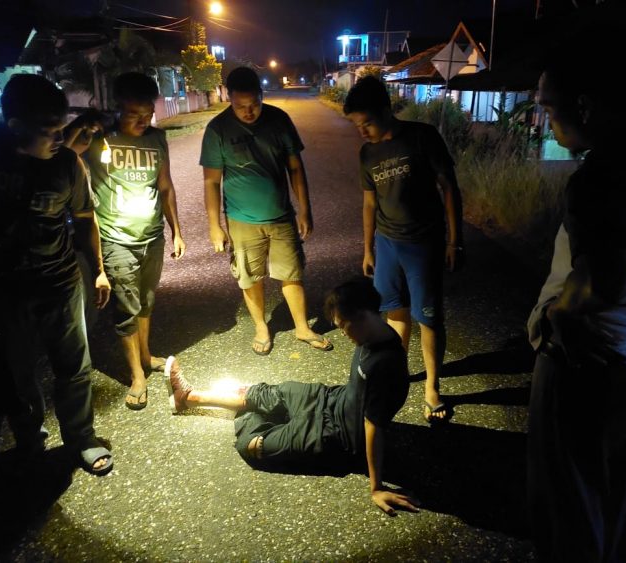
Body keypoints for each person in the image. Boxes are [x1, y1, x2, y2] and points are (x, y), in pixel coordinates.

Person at [526, 30, 626, 562]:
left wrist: (556, 319)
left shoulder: (600, 176)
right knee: (612, 503)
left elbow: (602, 280)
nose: (546, 120)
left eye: (549, 108)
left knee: (567, 507)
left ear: (585, 105)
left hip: (592, 366)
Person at [0, 74, 113, 475]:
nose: (60, 139)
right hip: (1, 290)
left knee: (74, 367)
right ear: (14, 126)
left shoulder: (67, 163)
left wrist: (98, 272)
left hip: (61, 281)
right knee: (17, 373)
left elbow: (85, 219)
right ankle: (29, 440)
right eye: (49, 132)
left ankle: (81, 437)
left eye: (62, 129)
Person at [165, 277, 420, 515]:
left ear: (364, 315)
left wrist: (376, 488)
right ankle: (187, 397)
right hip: (332, 399)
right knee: (267, 392)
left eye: (343, 325)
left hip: (336, 437)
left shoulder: (384, 364)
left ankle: (248, 410)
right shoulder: (377, 333)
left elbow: (372, 426)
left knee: (251, 444)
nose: (342, 332)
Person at [343, 76, 464, 423]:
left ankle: (432, 387)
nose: (362, 131)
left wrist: (455, 240)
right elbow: (369, 204)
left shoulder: (422, 136)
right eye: (356, 126)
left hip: (423, 244)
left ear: (385, 110)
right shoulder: (367, 153)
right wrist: (368, 248)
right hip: (387, 244)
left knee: (428, 318)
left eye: (366, 123)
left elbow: (449, 187)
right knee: (394, 313)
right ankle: (398, 375)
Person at [70, 72, 186, 410]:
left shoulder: (157, 139)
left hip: (153, 236)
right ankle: (136, 375)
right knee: (126, 310)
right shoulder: (99, 138)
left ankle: (147, 355)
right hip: (116, 239)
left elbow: (165, 186)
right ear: (117, 109)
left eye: (147, 113)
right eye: (134, 114)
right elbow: (65, 151)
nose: (142, 120)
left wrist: (176, 230)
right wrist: (86, 124)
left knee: (146, 303)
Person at [200, 66, 332, 356]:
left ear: (262, 95)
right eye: (240, 106)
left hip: (281, 215)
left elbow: (295, 168)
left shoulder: (279, 120)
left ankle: (302, 327)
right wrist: (214, 225)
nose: (249, 112)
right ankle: (261, 326)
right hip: (241, 219)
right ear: (229, 98)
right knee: (250, 276)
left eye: (254, 105)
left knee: (292, 273)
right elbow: (211, 181)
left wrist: (305, 209)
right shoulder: (217, 130)